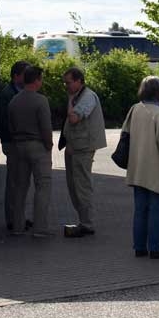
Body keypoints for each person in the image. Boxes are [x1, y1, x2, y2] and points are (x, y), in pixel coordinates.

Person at [124, 76, 159, 259]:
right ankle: (155, 248)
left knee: (140, 210)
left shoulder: (135, 109)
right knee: (157, 210)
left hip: (137, 168)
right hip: (156, 170)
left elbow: (126, 135)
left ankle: (139, 247)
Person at [6, 65, 54, 238]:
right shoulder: (41, 101)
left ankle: (17, 226)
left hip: (19, 146)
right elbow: (46, 127)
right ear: (37, 80)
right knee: (43, 186)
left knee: (20, 187)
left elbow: (10, 125)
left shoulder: (14, 101)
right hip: (38, 146)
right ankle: (40, 228)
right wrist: (49, 145)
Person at [59, 66, 106, 238]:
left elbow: (73, 118)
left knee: (81, 186)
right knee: (74, 186)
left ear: (79, 81)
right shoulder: (80, 95)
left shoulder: (87, 96)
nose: (66, 86)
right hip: (75, 147)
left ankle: (87, 224)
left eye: (69, 83)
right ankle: (84, 221)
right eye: (65, 83)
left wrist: (70, 100)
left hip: (83, 148)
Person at [0, 60, 29, 231]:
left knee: (20, 182)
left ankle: (18, 217)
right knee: (14, 182)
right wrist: (12, 138)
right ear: (16, 76)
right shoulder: (7, 94)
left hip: (17, 142)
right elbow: (2, 121)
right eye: (25, 74)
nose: (28, 77)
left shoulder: (16, 92)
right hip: (13, 143)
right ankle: (13, 219)